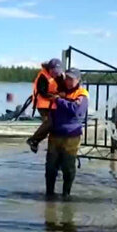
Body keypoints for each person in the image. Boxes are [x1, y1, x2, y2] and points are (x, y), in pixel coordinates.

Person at [45, 68, 88, 197]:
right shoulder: (59, 89)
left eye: (71, 79)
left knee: (68, 168)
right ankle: (49, 193)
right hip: (55, 134)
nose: (68, 81)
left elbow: (76, 110)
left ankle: (66, 194)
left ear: (78, 80)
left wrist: (58, 100)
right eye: (67, 78)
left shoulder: (82, 94)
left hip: (71, 137)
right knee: (50, 167)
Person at [27, 58, 65, 153]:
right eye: (53, 72)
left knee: (54, 125)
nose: (55, 74)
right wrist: (56, 96)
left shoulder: (60, 76)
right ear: (49, 69)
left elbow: (62, 88)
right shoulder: (43, 76)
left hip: (54, 104)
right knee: (49, 123)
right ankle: (33, 140)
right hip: (43, 104)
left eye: (57, 72)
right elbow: (42, 92)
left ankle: (55, 149)